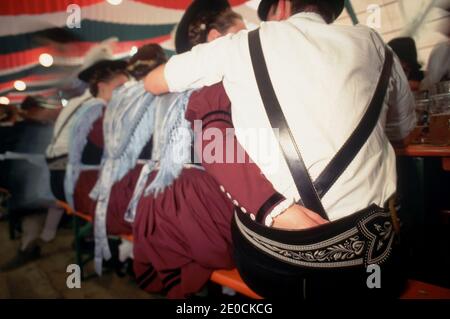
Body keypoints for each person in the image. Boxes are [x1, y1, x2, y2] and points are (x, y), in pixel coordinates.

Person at [145, 0, 416, 298]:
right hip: (369, 260)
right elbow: (402, 129)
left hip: (276, 261)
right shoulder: (374, 43)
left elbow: (163, 90)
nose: (251, 26)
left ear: (283, 5)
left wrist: (271, 209)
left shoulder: (238, 49)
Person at [130, 0, 251, 298]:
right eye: (241, 32)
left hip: (156, 201)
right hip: (195, 206)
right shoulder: (223, 84)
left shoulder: (172, 85)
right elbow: (231, 160)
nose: (248, 39)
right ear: (215, 39)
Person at [0, 97, 60, 271]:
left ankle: (32, 245)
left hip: (34, 185)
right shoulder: (28, 128)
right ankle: (31, 245)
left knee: (37, 207)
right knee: (35, 207)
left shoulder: (32, 127)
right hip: (31, 185)